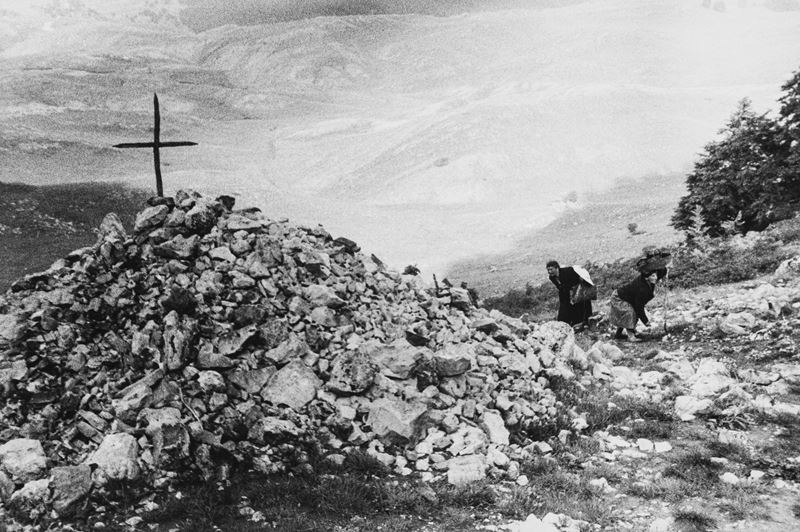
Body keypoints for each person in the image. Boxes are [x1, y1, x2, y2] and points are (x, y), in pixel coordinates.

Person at [608, 268, 664, 342]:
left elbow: (661, 272)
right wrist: (646, 321)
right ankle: (631, 337)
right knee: (630, 313)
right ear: (647, 278)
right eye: (653, 276)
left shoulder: (647, 279)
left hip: (628, 298)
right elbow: (639, 307)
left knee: (629, 314)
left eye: (656, 275)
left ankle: (618, 335)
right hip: (618, 298)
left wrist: (664, 266)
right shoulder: (641, 288)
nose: (656, 278)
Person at [546, 260, 593, 330]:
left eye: (551, 269)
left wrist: (574, 294)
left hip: (579, 289)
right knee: (564, 308)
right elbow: (560, 287)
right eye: (548, 270)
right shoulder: (552, 277)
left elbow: (576, 281)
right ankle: (564, 325)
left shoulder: (567, 272)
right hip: (566, 292)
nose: (549, 271)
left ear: (557, 268)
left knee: (581, 306)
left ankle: (583, 323)